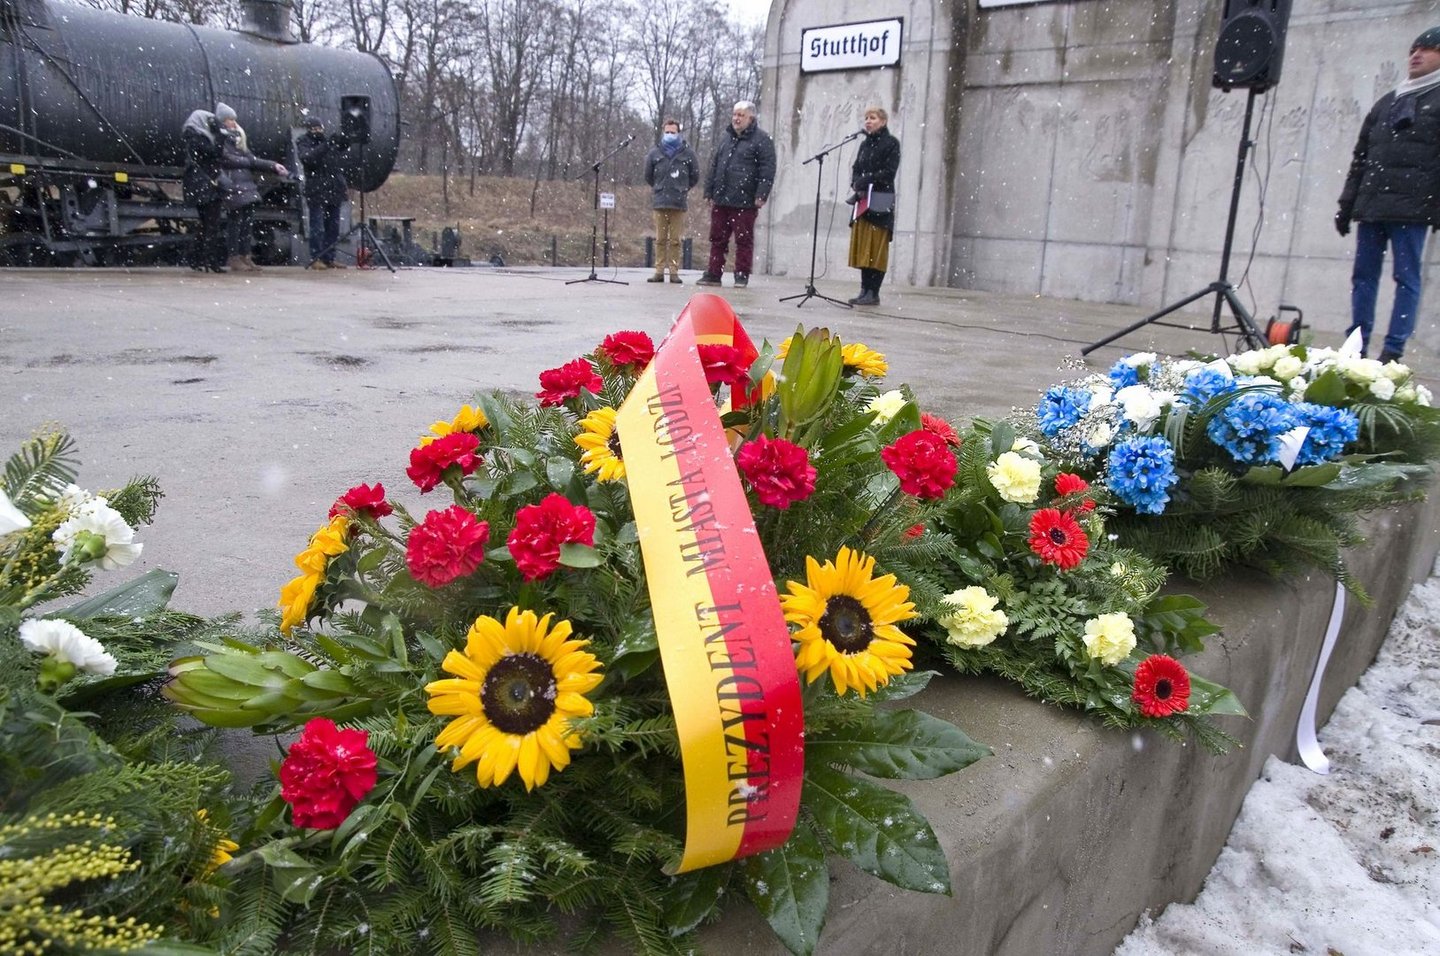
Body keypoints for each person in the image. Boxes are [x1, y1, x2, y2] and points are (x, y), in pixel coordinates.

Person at [1335, 27, 1440, 363]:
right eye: (1413, 49)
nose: (1416, 55)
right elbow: (1361, 158)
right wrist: (1347, 205)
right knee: (1363, 277)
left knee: (1406, 279)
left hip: (1411, 209)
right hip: (1372, 206)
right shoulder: (1387, 103)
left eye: (1427, 48)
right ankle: (1356, 345)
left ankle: (1393, 350)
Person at [697, 101, 776, 288]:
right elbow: (714, 165)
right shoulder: (726, 138)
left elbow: (767, 169)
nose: (736, 118)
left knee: (743, 240)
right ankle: (714, 273)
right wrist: (709, 191)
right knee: (717, 238)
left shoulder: (762, 140)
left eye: (741, 115)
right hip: (721, 198)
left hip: (745, 201)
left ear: (751, 118)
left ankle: (741, 274)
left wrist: (761, 194)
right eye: (734, 114)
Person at [216, 102, 288, 273]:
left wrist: (273, 165)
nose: (233, 123)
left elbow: (253, 160)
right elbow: (227, 159)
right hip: (233, 186)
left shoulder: (238, 140)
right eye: (229, 119)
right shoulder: (220, 139)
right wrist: (247, 162)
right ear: (222, 121)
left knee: (246, 223)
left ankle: (245, 256)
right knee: (235, 223)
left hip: (246, 186)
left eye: (233, 119)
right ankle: (234, 257)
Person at [846, 106, 901, 306]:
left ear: (883, 121)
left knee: (876, 247)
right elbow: (856, 167)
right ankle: (864, 290)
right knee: (863, 247)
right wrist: (856, 182)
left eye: (873, 118)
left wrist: (867, 179)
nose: (868, 121)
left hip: (880, 198)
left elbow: (888, 172)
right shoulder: (864, 144)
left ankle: (873, 291)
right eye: (866, 118)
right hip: (863, 199)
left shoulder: (891, 143)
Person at [644, 118, 700, 284]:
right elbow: (648, 176)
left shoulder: (688, 154)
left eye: (672, 132)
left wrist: (682, 188)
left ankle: (674, 271)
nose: (669, 135)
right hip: (660, 202)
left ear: (678, 133)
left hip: (678, 203)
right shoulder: (655, 153)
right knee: (660, 239)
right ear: (663, 132)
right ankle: (659, 271)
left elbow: (695, 176)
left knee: (675, 240)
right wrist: (659, 187)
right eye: (667, 132)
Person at [296, 115, 350, 270]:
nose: (318, 131)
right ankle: (316, 257)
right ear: (308, 130)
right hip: (317, 189)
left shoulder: (328, 142)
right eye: (314, 129)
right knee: (317, 226)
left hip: (333, 188)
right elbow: (308, 159)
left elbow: (343, 148)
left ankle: (329, 257)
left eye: (319, 128)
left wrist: (345, 136)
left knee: (333, 226)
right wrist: (326, 145)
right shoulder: (303, 142)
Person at [180, 109, 229, 273]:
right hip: (206, 185)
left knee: (206, 223)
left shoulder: (192, 137)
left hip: (200, 185)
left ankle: (197, 258)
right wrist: (221, 135)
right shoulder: (198, 138)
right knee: (211, 223)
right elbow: (214, 154)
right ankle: (209, 260)